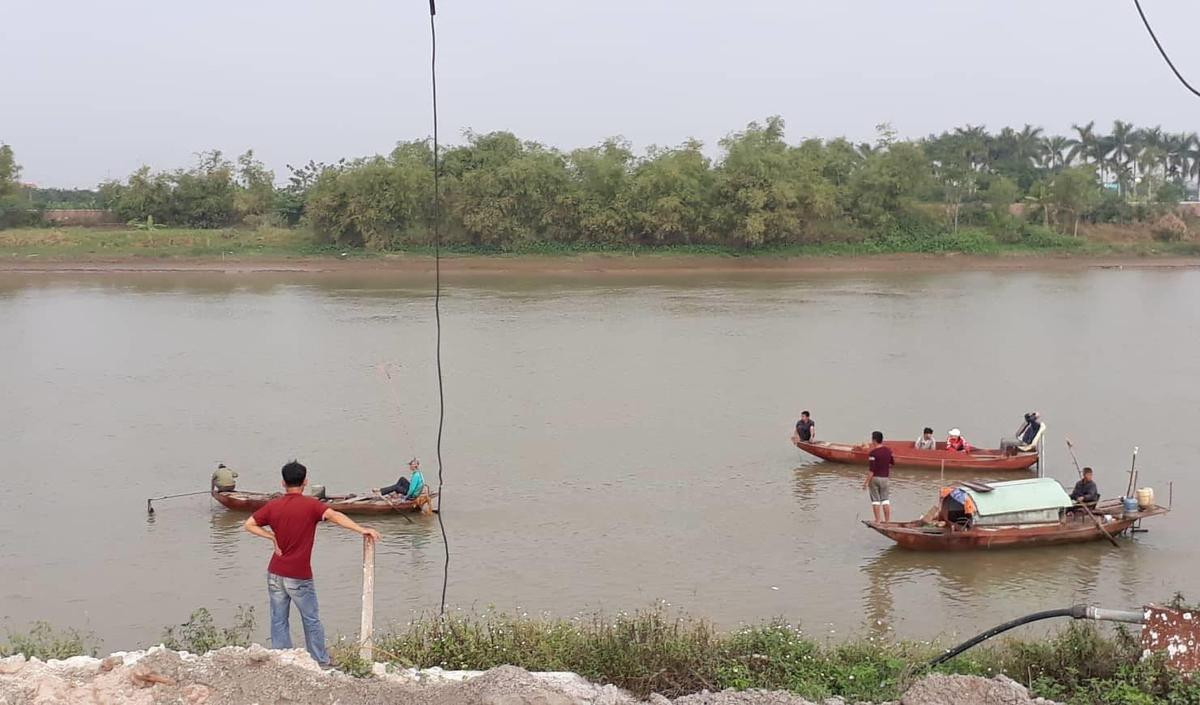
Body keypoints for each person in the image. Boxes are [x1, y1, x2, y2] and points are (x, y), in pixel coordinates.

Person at [243, 460, 381, 667]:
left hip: (275, 572)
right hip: (299, 575)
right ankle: (320, 660)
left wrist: (271, 537)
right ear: (305, 482)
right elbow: (336, 516)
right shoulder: (311, 505)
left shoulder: (273, 506)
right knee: (311, 619)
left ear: (283, 483)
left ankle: (282, 660)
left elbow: (249, 524)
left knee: (279, 619)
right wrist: (361, 529)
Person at [862, 431, 894, 522]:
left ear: (874, 440)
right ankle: (887, 521)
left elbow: (871, 470)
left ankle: (878, 520)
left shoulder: (873, 453)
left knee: (875, 501)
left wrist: (866, 483)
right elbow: (891, 463)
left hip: (875, 478)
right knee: (885, 500)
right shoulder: (888, 451)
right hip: (885, 478)